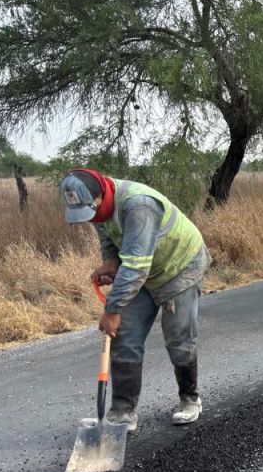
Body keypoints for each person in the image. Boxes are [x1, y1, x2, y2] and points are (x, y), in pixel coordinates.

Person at [59, 169, 210, 430]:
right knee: (126, 337)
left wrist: (112, 308)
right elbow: (108, 236)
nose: (91, 218)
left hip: (179, 266)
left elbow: (136, 268)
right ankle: (122, 412)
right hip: (142, 269)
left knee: (178, 337)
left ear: (101, 195)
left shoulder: (138, 205)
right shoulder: (99, 208)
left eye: (91, 211)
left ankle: (190, 399)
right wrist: (109, 261)